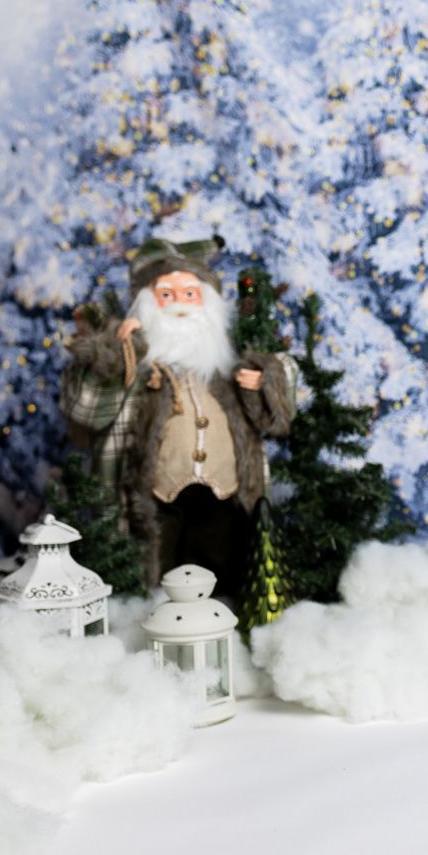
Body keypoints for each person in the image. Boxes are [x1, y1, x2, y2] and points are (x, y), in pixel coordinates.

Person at [61, 237, 296, 593]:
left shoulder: (227, 365)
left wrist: (264, 382)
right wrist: (114, 352)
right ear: (147, 306)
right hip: (156, 494)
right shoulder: (138, 368)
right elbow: (88, 410)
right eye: (166, 295)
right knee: (159, 564)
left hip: (223, 490)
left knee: (220, 559)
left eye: (190, 294)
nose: (180, 305)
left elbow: (274, 418)